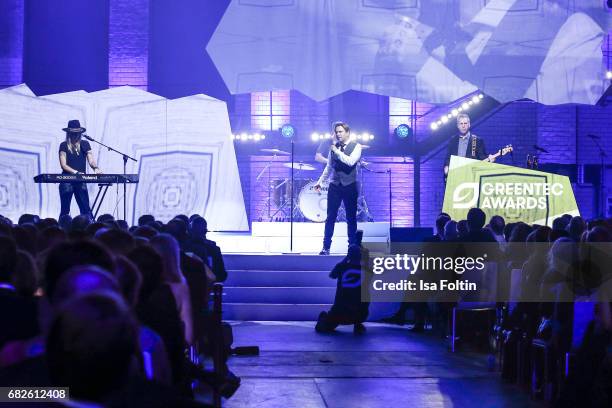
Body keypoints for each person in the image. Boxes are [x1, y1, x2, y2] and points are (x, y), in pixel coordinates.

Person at [314, 122, 362, 255]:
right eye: (337, 132)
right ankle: (326, 247)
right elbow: (329, 167)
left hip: (349, 186)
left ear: (347, 132)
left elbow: (351, 161)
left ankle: (352, 247)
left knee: (351, 218)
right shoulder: (333, 147)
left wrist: (337, 152)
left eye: (341, 131)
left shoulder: (356, 146)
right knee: (330, 217)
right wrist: (320, 182)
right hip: (335, 185)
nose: (338, 134)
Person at [58, 119, 102, 218]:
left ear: (80, 133)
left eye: (77, 133)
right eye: (73, 133)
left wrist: (96, 168)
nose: (75, 135)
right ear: (69, 133)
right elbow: (63, 165)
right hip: (67, 180)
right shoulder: (63, 145)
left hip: (81, 180)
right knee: (65, 210)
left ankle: (89, 230)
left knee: (85, 209)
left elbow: (91, 160)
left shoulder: (85, 144)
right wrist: (76, 172)